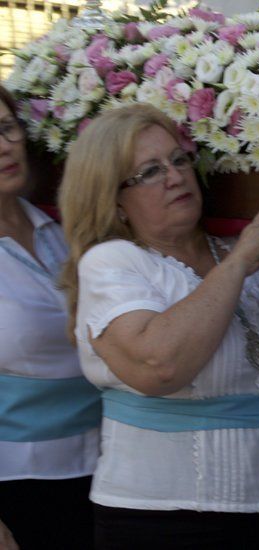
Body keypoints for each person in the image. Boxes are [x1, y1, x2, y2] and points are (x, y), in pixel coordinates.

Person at [57, 104, 259, 549]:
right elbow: (159, 364)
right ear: (114, 200)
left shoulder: (251, 248)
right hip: (160, 518)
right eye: (149, 171)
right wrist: (239, 264)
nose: (174, 176)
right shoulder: (113, 262)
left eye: (179, 159)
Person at [0, 84, 100, 549]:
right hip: (22, 482)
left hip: (108, 460)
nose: (3, 146)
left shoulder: (60, 231)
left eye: (6, 128)